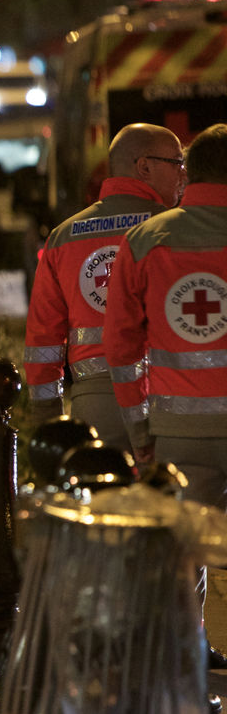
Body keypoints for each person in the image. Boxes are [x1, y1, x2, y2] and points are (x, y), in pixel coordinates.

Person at [106, 123, 227, 654]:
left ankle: (183, 661)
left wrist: (141, 433)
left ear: (189, 174)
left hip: (178, 434)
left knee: (180, 556)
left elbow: (121, 350)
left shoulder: (145, 240)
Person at [23, 123, 185, 450]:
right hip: (167, 398)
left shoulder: (64, 237)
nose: (183, 175)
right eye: (176, 163)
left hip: (93, 406)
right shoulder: (178, 230)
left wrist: (48, 417)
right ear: (144, 167)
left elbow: (43, 340)